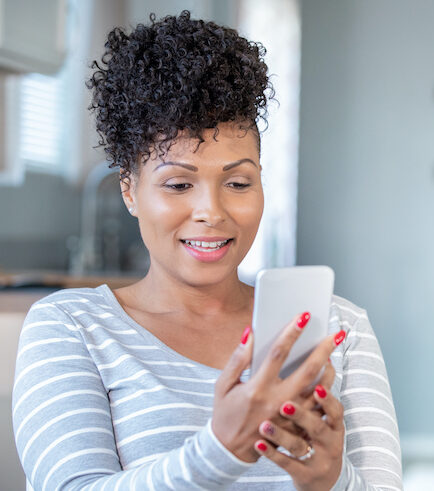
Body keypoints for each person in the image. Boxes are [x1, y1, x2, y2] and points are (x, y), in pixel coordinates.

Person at [12, 10, 402, 491]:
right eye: (178, 184)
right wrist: (218, 450)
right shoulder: (71, 327)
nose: (211, 212)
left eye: (238, 182)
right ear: (129, 190)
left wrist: (334, 480)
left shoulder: (338, 328)